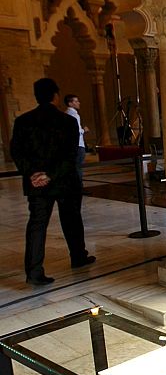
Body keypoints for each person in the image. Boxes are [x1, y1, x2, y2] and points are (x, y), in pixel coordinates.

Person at [10, 78, 94, 285]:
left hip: (37, 183)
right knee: (71, 220)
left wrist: (32, 174)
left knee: (37, 226)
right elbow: (70, 155)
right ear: (56, 96)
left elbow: (17, 152)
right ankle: (78, 257)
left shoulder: (23, 121)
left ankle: (34, 271)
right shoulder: (67, 121)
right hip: (64, 180)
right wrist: (51, 175)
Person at [64, 94, 89, 178]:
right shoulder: (74, 115)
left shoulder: (65, 113)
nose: (79, 103)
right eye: (76, 101)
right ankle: (79, 188)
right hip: (78, 144)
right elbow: (76, 131)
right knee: (78, 167)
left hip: (70, 145)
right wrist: (84, 130)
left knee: (73, 167)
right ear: (70, 103)